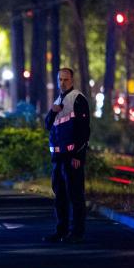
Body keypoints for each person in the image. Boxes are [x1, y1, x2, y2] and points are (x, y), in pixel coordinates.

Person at [44, 67, 91, 243]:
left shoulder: (77, 99)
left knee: (75, 195)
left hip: (72, 157)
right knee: (60, 196)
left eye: (66, 80)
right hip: (58, 157)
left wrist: (78, 155)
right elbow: (48, 125)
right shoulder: (58, 100)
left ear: (72, 81)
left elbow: (83, 130)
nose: (62, 83)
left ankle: (76, 232)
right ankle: (61, 230)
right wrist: (52, 111)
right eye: (60, 80)